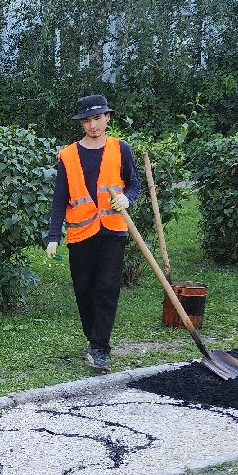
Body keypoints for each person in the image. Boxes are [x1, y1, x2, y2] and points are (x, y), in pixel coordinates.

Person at [45, 94, 142, 372]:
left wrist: (127, 198)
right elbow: (60, 197)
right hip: (81, 234)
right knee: (84, 290)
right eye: (87, 120)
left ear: (108, 118)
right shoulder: (68, 155)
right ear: (81, 124)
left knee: (107, 288)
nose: (93, 125)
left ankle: (100, 347)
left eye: (98, 118)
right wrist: (54, 235)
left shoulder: (121, 149)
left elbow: (133, 184)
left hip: (113, 231)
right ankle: (93, 339)